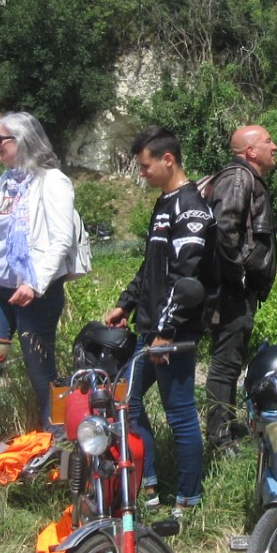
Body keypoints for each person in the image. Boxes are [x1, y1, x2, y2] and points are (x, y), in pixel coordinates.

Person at [103, 126, 213, 513]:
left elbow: (185, 279)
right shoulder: (163, 204)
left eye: (146, 166)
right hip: (149, 326)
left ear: (168, 160)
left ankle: (188, 499)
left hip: (174, 332)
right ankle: (147, 484)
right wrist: (126, 303)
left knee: (179, 412)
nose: (141, 174)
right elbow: (151, 267)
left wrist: (165, 332)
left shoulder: (192, 208)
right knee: (127, 403)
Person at [0, 111, 86, 439]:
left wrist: (35, 283)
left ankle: (61, 441)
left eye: (1, 139)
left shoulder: (53, 181)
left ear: (23, 141)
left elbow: (62, 239)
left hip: (38, 293)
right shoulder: (4, 181)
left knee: (40, 369)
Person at [201, 124, 277, 452]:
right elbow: (224, 229)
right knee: (225, 364)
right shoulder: (238, 178)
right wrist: (241, 274)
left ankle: (228, 430)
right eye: (268, 141)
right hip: (232, 290)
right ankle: (220, 439)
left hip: (235, 289)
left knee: (230, 361)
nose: (274, 146)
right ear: (250, 151)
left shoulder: (247, 179)